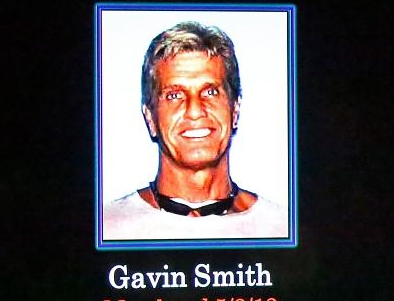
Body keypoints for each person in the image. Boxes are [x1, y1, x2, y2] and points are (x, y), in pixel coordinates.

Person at [102, 21, 287, 241]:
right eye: (174, 95)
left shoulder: (282, 228)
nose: (195, 111)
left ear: (235, 110)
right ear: (150, 118)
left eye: (210, 92)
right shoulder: (105, 228)